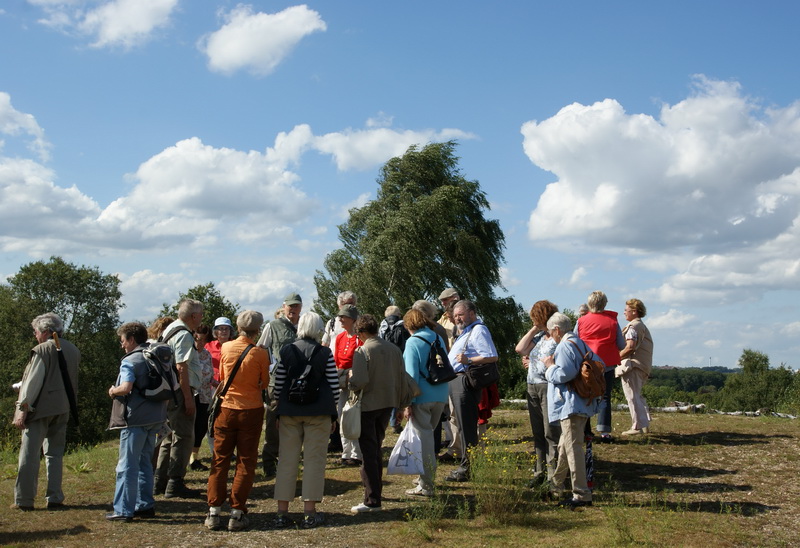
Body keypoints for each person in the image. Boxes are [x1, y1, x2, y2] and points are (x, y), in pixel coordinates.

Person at [272, 312, 340, 529]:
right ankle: (310, 512)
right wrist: (333, 413)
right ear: (318, 328)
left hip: (290, 411)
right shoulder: (325, 353)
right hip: (318, 412)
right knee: (314, 461)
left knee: (286, 460)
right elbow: (334, 386)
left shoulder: (286, 350)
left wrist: (278, 408)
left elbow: (279, 384)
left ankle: (282, 512)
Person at [205, 311, 270, 532]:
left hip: (227, 408)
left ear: (238, 327)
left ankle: (214, 511)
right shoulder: (260, 353)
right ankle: (237, 512)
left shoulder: (226, 348)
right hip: (250, 409)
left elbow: (223, 377)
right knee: (246, 461)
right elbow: (264, 383)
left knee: (220, 459)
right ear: (257, 330)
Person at [12, 313, 80, 511]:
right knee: (55, 454)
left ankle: (24, 500)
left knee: (29, 454)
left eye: (36, 332)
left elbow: (32, 383)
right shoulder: (73, 349)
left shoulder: (42, 350)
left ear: (46, 332)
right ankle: (55, 497)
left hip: (40, 409)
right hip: (63, 406)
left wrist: (22, 410)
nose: (35, 335)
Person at [106, 322, 168, 521]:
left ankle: (123, 509)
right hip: (155, 417)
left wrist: (113, 391)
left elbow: (126, 387)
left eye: (123, 341)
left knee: (127, 466)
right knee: (145, 463)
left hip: (135, 419)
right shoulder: (154, 356)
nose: (122, 345)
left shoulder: (130, 360)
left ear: (131, 339)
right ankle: (145, 504)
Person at [348, 314, 407, 513]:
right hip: (388, 404)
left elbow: (359, 381)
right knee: (375, 449)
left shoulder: (363, 350)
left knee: (368, 453)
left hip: (368, 406)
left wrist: (348, 380)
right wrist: (401, 406)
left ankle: (372, 500)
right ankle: (375, 492)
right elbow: (402, 378)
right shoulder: (394, 349)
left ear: (361, 332)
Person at [543, 312, 602, 509]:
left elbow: (564, 374)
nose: (550, 335)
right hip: (582, 402)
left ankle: (581, 494)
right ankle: (555, 486)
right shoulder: (579, 343)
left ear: (556, 330)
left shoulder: (565, 346)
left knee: (572, 448)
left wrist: (549, 367)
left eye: (550, 332)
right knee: (565, 446)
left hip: (571, 405)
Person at [155, 298, 204, 499]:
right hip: (179, 391)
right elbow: (181, 367)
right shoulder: (183, 334)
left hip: (168, 390)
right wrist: (188, 398)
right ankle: (175, 482)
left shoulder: (170, 329)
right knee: (183, 436)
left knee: (169, 436)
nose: (202, 318)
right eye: (201, 314)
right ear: (193, 316)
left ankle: (160, 480)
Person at [445, 300, 498, 482]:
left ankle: (467, 468)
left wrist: (468, 360)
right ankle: (467, 465)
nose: (457, 318)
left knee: (467, 426)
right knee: (462, 425)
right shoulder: (467, 331)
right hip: (457, 380)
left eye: (460, 314)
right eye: (455, 315)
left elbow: (492, 356)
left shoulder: (478, 330)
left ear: (472, 313)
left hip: (464, 381)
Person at [401, 309, 448, 497]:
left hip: (421, 396)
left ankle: (427, 485)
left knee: (424, 444)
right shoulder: (438, 338)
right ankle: (423, 478)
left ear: (408, 325)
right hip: (440, 393)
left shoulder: (412, 342)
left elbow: (410, 375)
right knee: (429, 439)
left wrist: (408, 403)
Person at [516, 300, 561, 486]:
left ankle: (554, 475)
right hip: (532, 385)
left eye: (535, 317)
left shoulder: (557, 337)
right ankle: (539, 471)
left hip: (548, 386)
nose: (532, 320)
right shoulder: (540, 337)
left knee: (551, 431)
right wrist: (534, 329)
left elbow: (558, 361)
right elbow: (520, 349)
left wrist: (538, 363)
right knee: (538, 431)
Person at [258, 292, 303, 478]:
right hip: (277, 380)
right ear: (284, 307)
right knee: (273, 421)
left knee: (296, 421)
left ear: (301, 307)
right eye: (290, 306)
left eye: (296, 306)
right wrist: (265, 372)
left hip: (300, 381)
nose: (293, 309)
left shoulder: (305, 325)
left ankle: (290, 460)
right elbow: (260, 349)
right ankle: (269, 462)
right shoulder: (273, 326)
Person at [574, 290, 624, 442]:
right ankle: (604, 432)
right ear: (605, 304)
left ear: (589, 303)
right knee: (605, 397)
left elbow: (574, 341)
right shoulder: (613, 322)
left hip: (587, 365)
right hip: (606, 365)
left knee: (585, 394)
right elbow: (621, 344)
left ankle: (586, 431)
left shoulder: (581, 321)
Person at [618, 298, 654, 436]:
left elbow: (630, 347)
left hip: (633, 366)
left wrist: (616, 357)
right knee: (637, 395)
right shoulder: (640, 326)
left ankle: (637, 426)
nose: (624, 312)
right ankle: (644, 424)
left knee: (632, 396)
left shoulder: (633, 327)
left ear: (634, 311)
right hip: (642, 365)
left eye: (626, 310)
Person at [333, 304, 363, 466]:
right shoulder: (340, 337)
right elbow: (337, 360)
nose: (340, 319)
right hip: (342, 380)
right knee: (341, 414)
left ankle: (356, 453)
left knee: (354, 415)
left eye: (343, 317)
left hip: (355, 382)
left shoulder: (360, 338)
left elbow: (362, 360)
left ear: (352, 319)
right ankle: (346, 452)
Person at [190, 325, 217, 471]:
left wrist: (218, 384)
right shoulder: (188, 354)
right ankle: (187, 458)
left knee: (201, 427)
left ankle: (194, 458)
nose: (200, 343)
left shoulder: (206, 354)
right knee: (190, 427)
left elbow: (210, 375)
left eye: (204, 340)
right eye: (198, 339)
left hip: (205, 396)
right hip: (192, 395)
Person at [206, 317, 234, 383]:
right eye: (221, 328)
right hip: (211, 383)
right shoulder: (208, 346)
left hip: (230, 383)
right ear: (216, 331)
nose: (224, 331)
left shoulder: (235, 346)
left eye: (227, 328)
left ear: (230, 331)